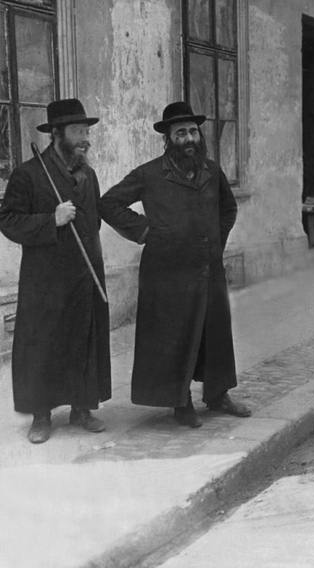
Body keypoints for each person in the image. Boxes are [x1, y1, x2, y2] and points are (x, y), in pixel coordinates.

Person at [100, 102, 250, 428]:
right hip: (167, 272)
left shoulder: (212, 171)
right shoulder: (150, 174)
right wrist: (144, 231)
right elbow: (108, 203)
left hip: (208, 267)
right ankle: (179, 402)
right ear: (168, 138)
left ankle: (218, 394)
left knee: (216, 334)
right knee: (176, 335)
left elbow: (228, 209)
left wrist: (215, 243)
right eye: (180, 132)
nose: (189, 138)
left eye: (193, 131)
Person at [0, 99, 110, 443]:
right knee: (43, 345)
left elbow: (94, 220)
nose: (85, 138)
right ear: (57, 134)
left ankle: (81, 408)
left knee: (82, 341)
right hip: (45, 279)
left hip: (84, 274)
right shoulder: (28, 174)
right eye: (78, 132)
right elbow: (8, 220)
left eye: (86, 131)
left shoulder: (88, 174)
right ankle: (41, 416)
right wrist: (52, 220)